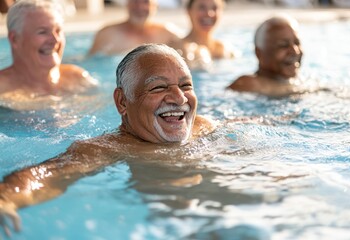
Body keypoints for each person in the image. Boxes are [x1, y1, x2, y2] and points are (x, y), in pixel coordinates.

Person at [0, 43, 218, 236]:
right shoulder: (106, 149)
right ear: (122, 102)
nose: (179, 98)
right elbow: (46, 175)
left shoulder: (202, 126)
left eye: (186, 85)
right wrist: (6, 198)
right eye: (158, 87)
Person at [0, 0, 98, 110]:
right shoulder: (2, 90)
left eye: (58, 30)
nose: (55, 40)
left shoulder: (78, 79)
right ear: (15, 39)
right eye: (42, 32)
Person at [227, 15, 315, 98]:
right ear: (259, 53)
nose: (295, 51)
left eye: (297, 43)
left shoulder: (304, 81)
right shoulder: (247, 83)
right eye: (283, 45)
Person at [88, 0, 181, 56]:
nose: (139, 7)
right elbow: (91, 63)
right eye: (135, 1)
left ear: (155, 6)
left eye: (145, 1)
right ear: (127, 4)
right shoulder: (108, 34)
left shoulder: (168, 33)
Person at [169, 0, 234, 69]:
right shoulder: (179, 49)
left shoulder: (224, 49)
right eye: (202, 7)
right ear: (189, 11)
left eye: (214, 8)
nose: (209, 13)